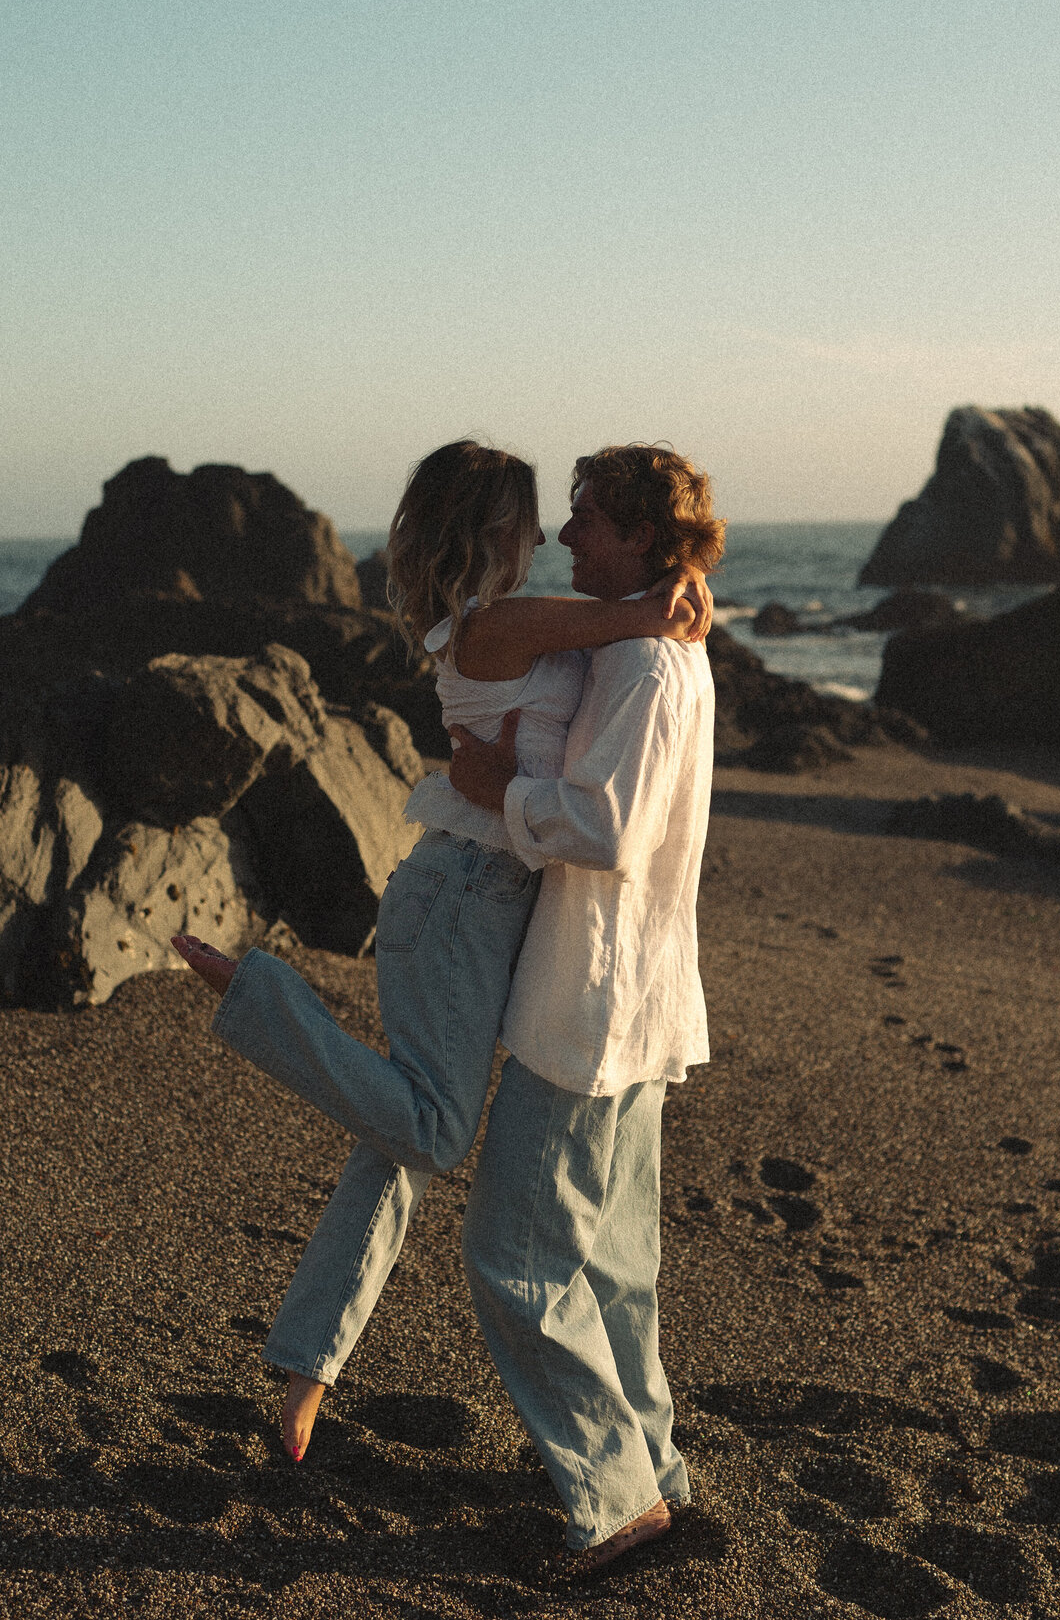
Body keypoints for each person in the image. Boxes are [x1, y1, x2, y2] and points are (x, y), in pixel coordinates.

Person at [171, 439, 712, 1464]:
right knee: (427, 1126)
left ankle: (307, 1364)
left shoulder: (528, 624)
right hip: (461, 898)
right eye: (535, 517)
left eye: (575, 516)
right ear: (493, 530)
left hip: (494, 906)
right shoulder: (492, 625)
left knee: (404, 1134)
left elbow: (628, 637)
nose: (554, 534)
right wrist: (665, 597)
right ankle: (261, 996)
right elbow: (628, 623)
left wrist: (684, 580)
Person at [447, 444, 724, 1575]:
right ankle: (650, 1471)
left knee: (513, 1253)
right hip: (629, 998)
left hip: (596, 1001)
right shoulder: (647, 647)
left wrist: (493, 789)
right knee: (610, 1264)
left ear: (648, 540)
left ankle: (615, 1501)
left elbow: (606, 829)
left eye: (589, 519)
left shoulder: (654, 672)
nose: (567, 537)